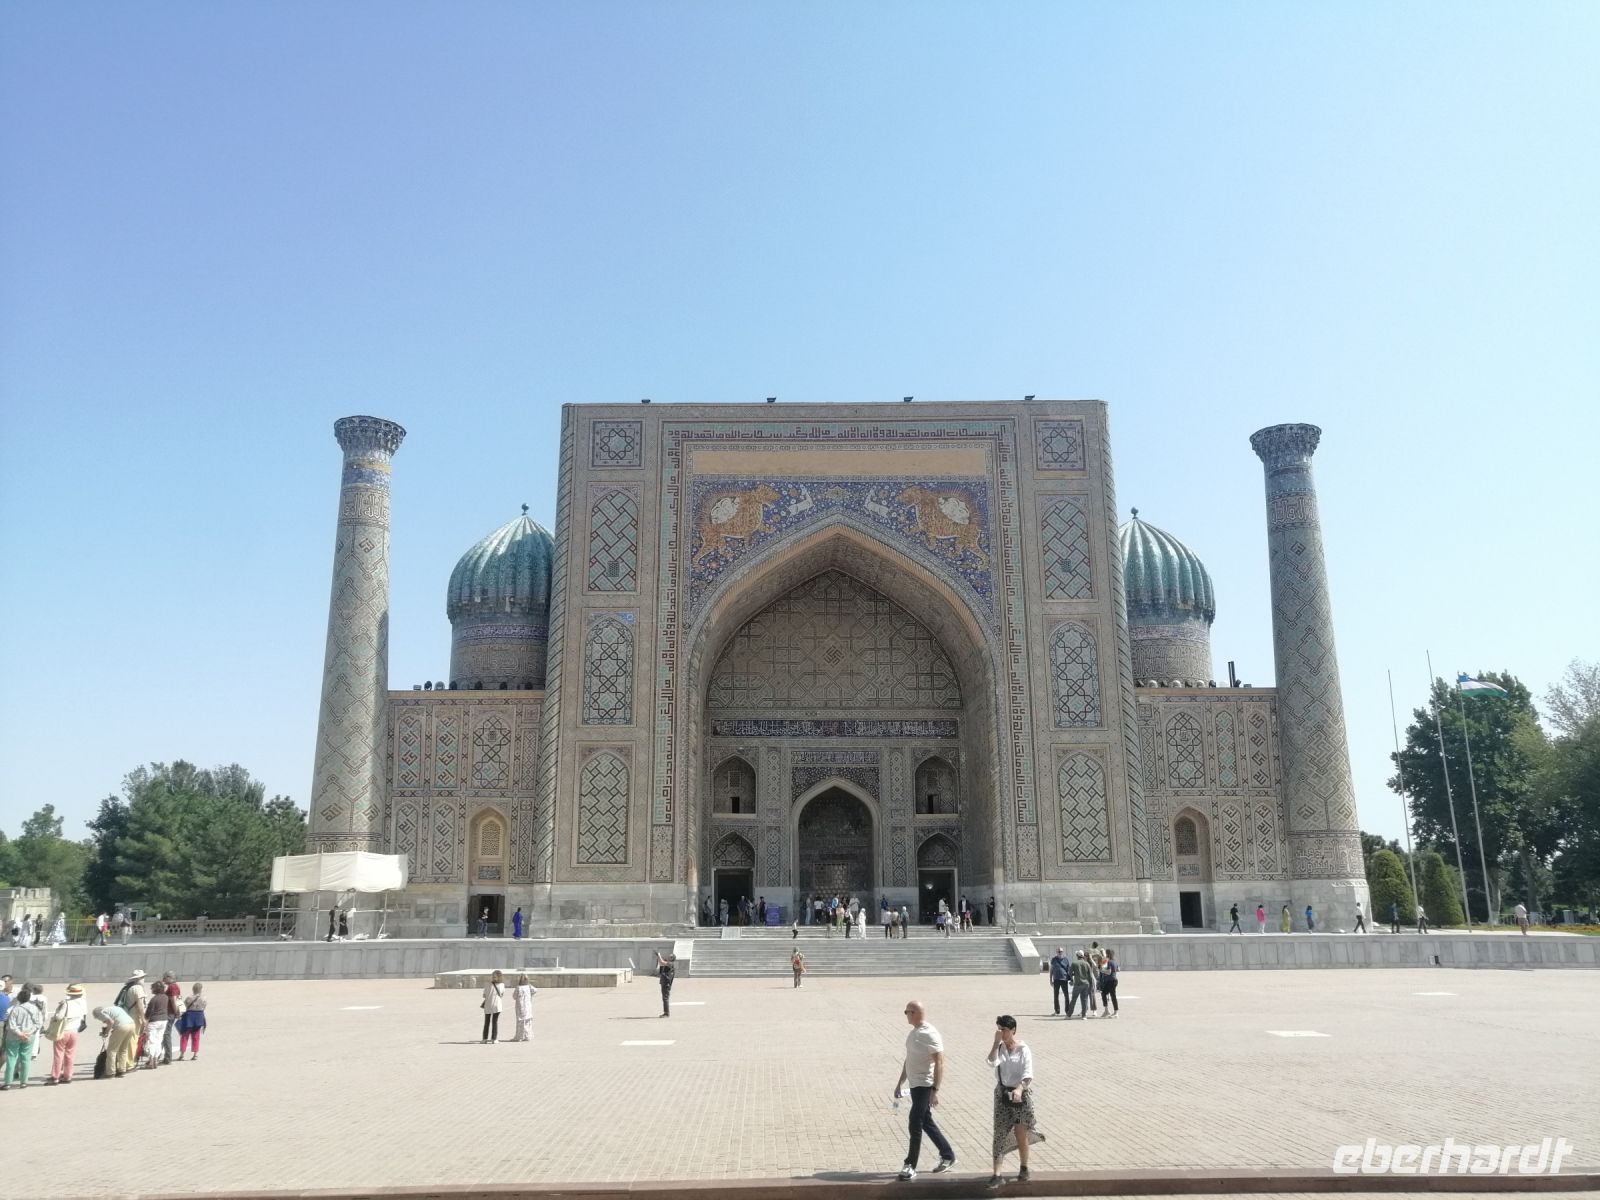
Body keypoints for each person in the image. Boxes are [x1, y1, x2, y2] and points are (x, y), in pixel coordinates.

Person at [893, 999, 955, 1181]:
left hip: (924, 1085)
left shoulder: (930, 1034)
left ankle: (910, 1165)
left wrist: (935, 1090)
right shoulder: (913, 1033)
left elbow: (940, 1062)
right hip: (914, 1085)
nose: (905, 1015)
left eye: (907, 1012)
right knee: (925, 1122)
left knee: (915, 1122)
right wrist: (900, 1083)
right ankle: (948, 1155)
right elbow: (909, 1060)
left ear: (915, 1013)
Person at [985, 1014, 1041, 1188]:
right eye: (1000, 1029)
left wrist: (1019, 1088)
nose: (1002, 1033)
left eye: (1005, 1030)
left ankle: (1024, 1167)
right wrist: (995, 1044)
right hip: (1002, 1094)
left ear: (1013, 1030)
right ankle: (997, 1174)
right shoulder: (999, 1047)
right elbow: (991, 1062)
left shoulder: (1023, 1049)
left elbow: (1028, 1073)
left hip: (1020, 1095)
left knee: (1020, 1132)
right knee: (1000, 1132)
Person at [2, 986, 42, 1089]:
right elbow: (38, 1023)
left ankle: (8, 1082)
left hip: (14, 1036)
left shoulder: (15, 1009)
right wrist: (29, 1033)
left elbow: (11, 1025)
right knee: (26, 1058)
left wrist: (20, 1033)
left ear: (19, 998)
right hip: (29, 1036)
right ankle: (24, 1082)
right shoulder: (35, 1009)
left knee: (11, 1058)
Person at [47, 983, 87, 1084]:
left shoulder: (66, 1003)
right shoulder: (82, 1002)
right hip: (74, 1031)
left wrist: (55, 1016)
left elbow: (59, 1017)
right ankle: (68, 1075)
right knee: (70, 1054)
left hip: (63, 1030)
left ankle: (55, 1076)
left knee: (58, 1054)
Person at [114, 970, 147, 1076]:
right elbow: (140, 1006)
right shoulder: (138, 988)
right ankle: (129, 1064)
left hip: (126, 1016)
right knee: (133, 1040)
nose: (143, 979)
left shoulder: (127, 987)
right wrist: (143, 1019)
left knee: (126, 1041)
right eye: (142, 978)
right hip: (134, 1017)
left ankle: (122, 1063)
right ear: (138, 979)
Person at [93, 1002, 136, 1079]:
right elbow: (116, 1020)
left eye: (98, 1018)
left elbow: (110, 1022)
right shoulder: (113, 1009)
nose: (101, 1021)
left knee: (111, 1051)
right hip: (131, 1025)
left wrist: (106, 1033)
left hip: (122, 1026)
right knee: (123, 1049)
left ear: (97, 1015)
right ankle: (122, 1070)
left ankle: (110, 1072)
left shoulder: (102, 1013)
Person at [143, 979, 174, 1068]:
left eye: (152, 988)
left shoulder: (154, 999)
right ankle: (156, 1059)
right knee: (159, 1040)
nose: (151, 990)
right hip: (164, 1020)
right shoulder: (165, 997)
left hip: (154, 1021)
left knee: (151, 1041)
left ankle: (151, 1061)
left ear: (155, 989)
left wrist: (145, 1021)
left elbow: (149, 1012)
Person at [175, 983, 207, 1060]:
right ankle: (195, 1054)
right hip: (199, 1018)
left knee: (185, 1036)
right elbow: (204, 1007)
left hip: (188, 1018)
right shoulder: (204, 999)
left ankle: (182, 1054)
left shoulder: (189, 998)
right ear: (201, 990)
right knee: (196, 1036)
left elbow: (184, 1007)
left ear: (193, 989)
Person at [509, 973, 537, 1041]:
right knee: (527, 1021)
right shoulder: (529, 987)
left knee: (520, 1022)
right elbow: (535, 990)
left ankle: (519, 1036)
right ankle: (527, 1036)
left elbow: (514, 996)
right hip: (528, 1006)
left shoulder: (518, 987)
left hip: (520, 1006)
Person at [480, 970, 505, 1043]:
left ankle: (484, 1039)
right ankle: (494, 1039)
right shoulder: (502, 985)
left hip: (488, 1005)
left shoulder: (487, 984)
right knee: (495, 1022)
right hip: (497, 1006)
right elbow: (502, 994)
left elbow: (484, 995)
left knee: (486, 1022)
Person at [1066, 951, 1092, 1019]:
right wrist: (1091, 985)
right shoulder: (1087, 963)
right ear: (1083, 956)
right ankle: (1084, 1015)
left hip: (1077, 984)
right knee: (1084, 1000)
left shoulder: (1074, 963)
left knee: (1073, 999)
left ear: (1077, 956)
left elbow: (1070, 973)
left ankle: (1069, 1015)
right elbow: (1090, 976)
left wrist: (1071, 980)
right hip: (1086, 984)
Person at [1048, 947, 1070, 1016]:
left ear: (1062, 952)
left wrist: (1071, 979)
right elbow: (1051, 970)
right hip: (1056, 979)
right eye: (1058, 951)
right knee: (1056, 996)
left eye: (1061, 951)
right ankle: (1057, 1011)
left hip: (1064, 979)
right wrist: (1050, 980)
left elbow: (1068, 970)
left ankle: (1067, 1011)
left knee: (1066, 996)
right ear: (1056, 952)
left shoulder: (1066, 959)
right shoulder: (1054, 959)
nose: (1060, 952)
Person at [1098, 948, 1120, 1017]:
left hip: (1110, 981)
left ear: (1108, 954)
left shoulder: (1109, 962)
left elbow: (1109, 972)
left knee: (1110, 995)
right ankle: (1108, 1011)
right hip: (1114, 980)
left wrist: (1102, 971)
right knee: (1106, 994)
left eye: (1106, 953)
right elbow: (1118, 969)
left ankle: (1114, 1012)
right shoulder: (1114, 961)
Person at [655, 949, 676, 1017]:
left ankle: (666, 1013)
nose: (668, 957)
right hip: (665, 983)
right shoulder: (668, 963)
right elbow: (661, 963)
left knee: (665, 998)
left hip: (666, 984)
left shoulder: (670, 963)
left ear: (672, 958)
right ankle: (666, 1013)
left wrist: (659, 954)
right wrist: (658, 956)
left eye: (670, 956)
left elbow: (662, 962)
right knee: (664, 998)